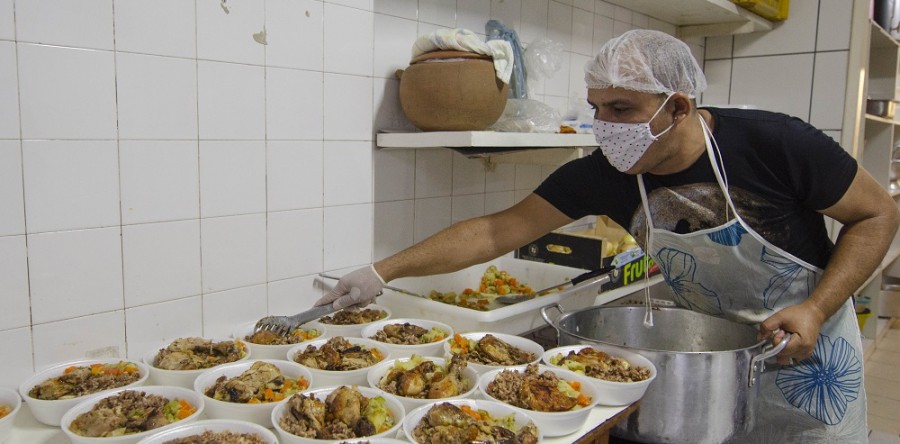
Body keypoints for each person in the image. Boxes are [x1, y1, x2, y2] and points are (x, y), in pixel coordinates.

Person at [316, 29, 899, 441]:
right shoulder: (604, 174)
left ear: (679, 106)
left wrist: (818, 308)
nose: (607, 128)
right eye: (598, 109)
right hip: (712, 361)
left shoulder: (775, 144)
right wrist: (381, 271)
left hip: (808, 353)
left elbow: (877, 215)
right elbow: (497, 230)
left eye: (622, 108)